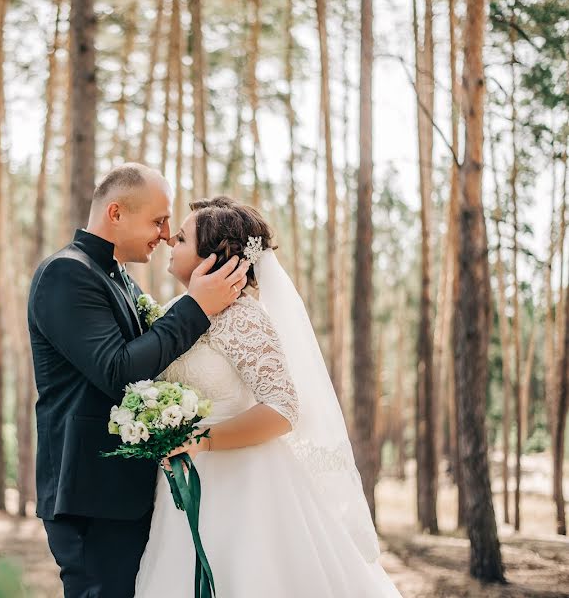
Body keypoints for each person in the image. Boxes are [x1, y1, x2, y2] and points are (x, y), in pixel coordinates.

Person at [134, 196, 402, 597]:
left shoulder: (242, 316)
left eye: (183, 238)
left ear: (213, 258)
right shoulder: (174, 311)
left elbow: (282, 410)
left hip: (245, 487)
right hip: (183, 484)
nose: (171, 241)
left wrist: (202, 441)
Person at [27, 165, 251, 598]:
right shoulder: (66, 274)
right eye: (158, 220)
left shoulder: (118, 278)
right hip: (92, 493)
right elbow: (119, 370)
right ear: (115, 212)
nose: (167, 234)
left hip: (126, 493)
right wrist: (196, 308)